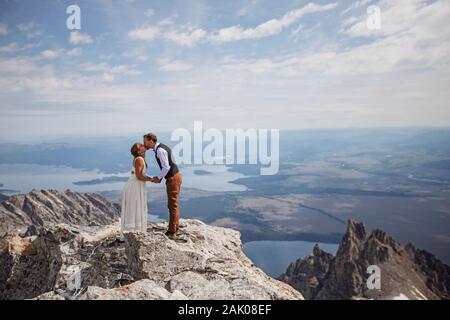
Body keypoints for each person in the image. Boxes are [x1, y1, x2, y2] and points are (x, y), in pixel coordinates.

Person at [143, 133, 182, 240]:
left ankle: (172, 231)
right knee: (173, 204)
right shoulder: (161, 147)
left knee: (172, 204)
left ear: (151, 141)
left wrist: (159, 178)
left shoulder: (160, 150)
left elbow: (166, 167)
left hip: (173, 178)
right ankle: (175, 226)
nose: (144, 144)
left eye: (145, 141)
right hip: (175, 176)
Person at [120, 143, 153, 233]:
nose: (144, 146)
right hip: (135, 186)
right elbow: (139, 176)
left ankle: (134, 231)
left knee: (136, 207)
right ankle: (134, 231)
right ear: (139, 150)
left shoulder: (139, 159)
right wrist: (151, 179)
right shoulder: (139, 159)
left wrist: (149, 178)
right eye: (142, 146)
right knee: (135, 207)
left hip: (136, 185)